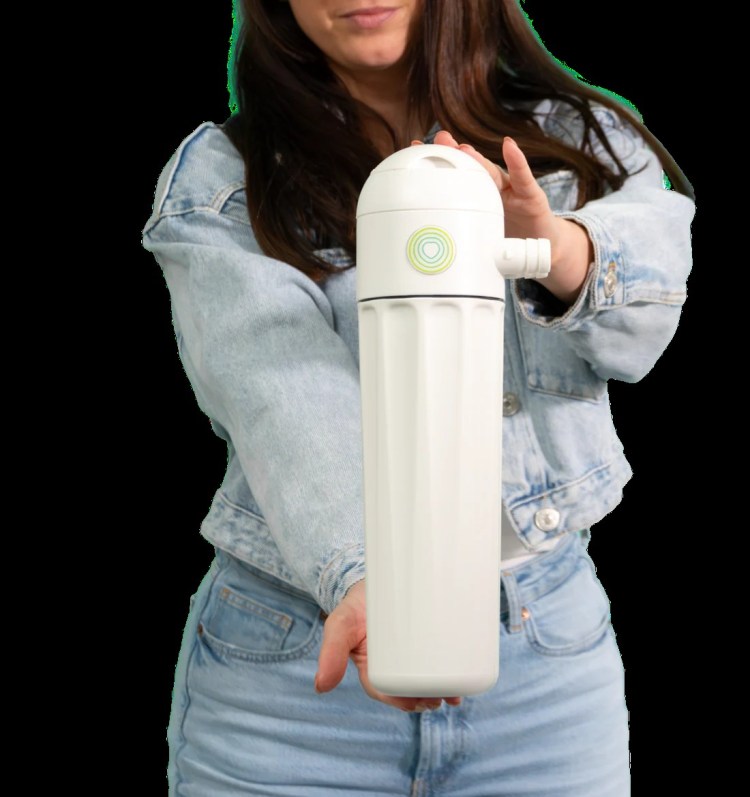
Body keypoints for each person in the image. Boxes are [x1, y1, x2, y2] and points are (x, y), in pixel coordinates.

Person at [141, 1, 695, 794]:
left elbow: (646, 319)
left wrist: (551, 245)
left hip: (545, 676)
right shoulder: (226, 177)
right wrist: (372, 579)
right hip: (295, 684)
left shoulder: (577, 138)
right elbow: (280, 392)